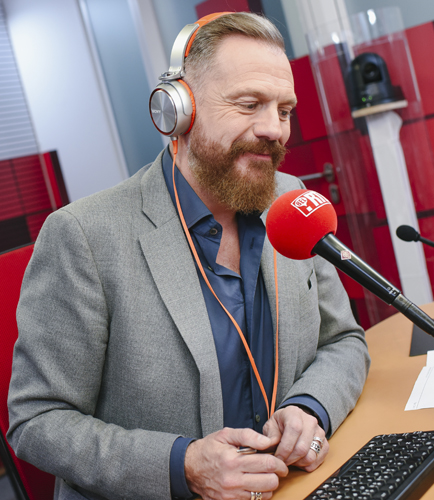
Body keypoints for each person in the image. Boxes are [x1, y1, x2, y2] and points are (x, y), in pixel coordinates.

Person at [7, 11, 370, 500]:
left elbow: (344, 339)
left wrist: (310, 406)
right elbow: (36, 419)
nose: (275, 129)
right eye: (249, 104)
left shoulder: (291, 200)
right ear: (178, 109)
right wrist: (182, 465)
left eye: (284, 110)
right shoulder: (84, 237)